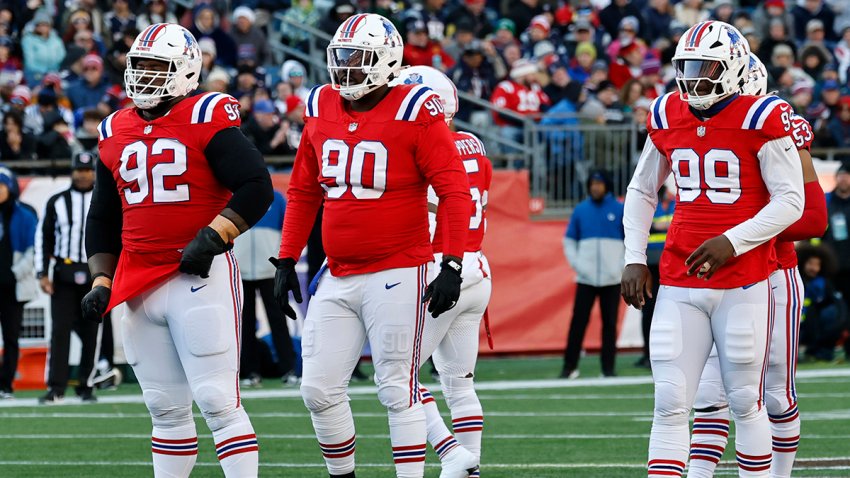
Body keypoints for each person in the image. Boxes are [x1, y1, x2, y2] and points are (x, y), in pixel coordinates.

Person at [270, 14, 471, 478]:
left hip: (399, 269)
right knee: (317, 389)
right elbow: (303, 189)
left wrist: (453, 264)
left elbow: (454, 191)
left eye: (357, 60)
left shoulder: (417, 108)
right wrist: (287, 257)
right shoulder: (321, 102)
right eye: (340, 59)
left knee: (397, 388)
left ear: (386, 60)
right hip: (338, 271)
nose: (345, 71)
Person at [81, 23, 273, 477]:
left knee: (217, 401)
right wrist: (101, 279)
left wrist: (212, 236)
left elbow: (256, 186)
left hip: (198, 279)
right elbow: (103, 216)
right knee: (164, 409)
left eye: (157, 66)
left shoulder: (207, 113)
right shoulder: (114, 128)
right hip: (138, 282)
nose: (144, 76)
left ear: (186, 71)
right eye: (138, 66)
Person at [621, 22, 804, 478]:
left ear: (733, 67)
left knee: (745, 399)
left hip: (745, 279)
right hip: (680, 277)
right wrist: (633, 256)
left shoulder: (762, 115)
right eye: (686, 67)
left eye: (705, 67)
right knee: (669, 400)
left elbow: (792, 201)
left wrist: (733, 240)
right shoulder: (666, 112)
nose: (692, 78)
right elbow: (642, 190)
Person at [687, 53, 828, 478]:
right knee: (709, 394)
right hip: (718, 279)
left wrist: (741, 235)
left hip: (773, 275)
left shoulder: (777, 129)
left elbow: (813, 218)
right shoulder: (700, 127)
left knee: (773, 393)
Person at [391, 65, 491, 477]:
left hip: (438, 268)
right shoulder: (474, 144)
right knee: (460, 384)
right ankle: (469, 469)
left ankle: (451, 452)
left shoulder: (419, 148)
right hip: (477, 268)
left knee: (398, 375)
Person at [36, 151, 103, 404]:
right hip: (63, 274)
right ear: (72, 172)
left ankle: (86, 385)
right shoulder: (56, 201)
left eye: (87, 170)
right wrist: (42, 273)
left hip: (93, 274)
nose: (83, 174)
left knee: (91, 333)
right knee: (60, 332)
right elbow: (42, 238)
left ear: (94, 172)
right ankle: (56, 387)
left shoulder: (103, 199)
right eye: (78, 170)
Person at [561, 170, 624, 379]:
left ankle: (608, 369)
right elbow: (569, 241)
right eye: (592, 183)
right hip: (586, 279)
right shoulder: (581, 210)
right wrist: (579, 266)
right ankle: (569, 367)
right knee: (577, 323)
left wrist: (620, 268)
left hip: (612, 279)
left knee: (609, 326)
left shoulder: (619, 209)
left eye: (599, 183)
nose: (595, 187)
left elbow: (630, 240)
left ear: (607, 185)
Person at [232, 189, 296, 387]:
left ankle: (289, 370)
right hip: (240, 270)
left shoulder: (276, 198)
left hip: (271, 270)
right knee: (245, 323)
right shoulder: (232, 198)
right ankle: (250, 372)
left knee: (278, 320)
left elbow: (288, 229)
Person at [0, 166, 38, 399]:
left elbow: (33, 251)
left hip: (13, 288)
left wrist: (14, 272)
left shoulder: (24, 215)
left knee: (11, 337)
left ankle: (6, 385)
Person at [635, 184, 674, 369]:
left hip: (672, 266)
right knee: (649, 310)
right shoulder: (647, 205)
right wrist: (656, 225)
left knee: (672, 311)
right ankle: (647, 354)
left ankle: (670, 353)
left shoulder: (676, 203)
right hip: (650, 265)